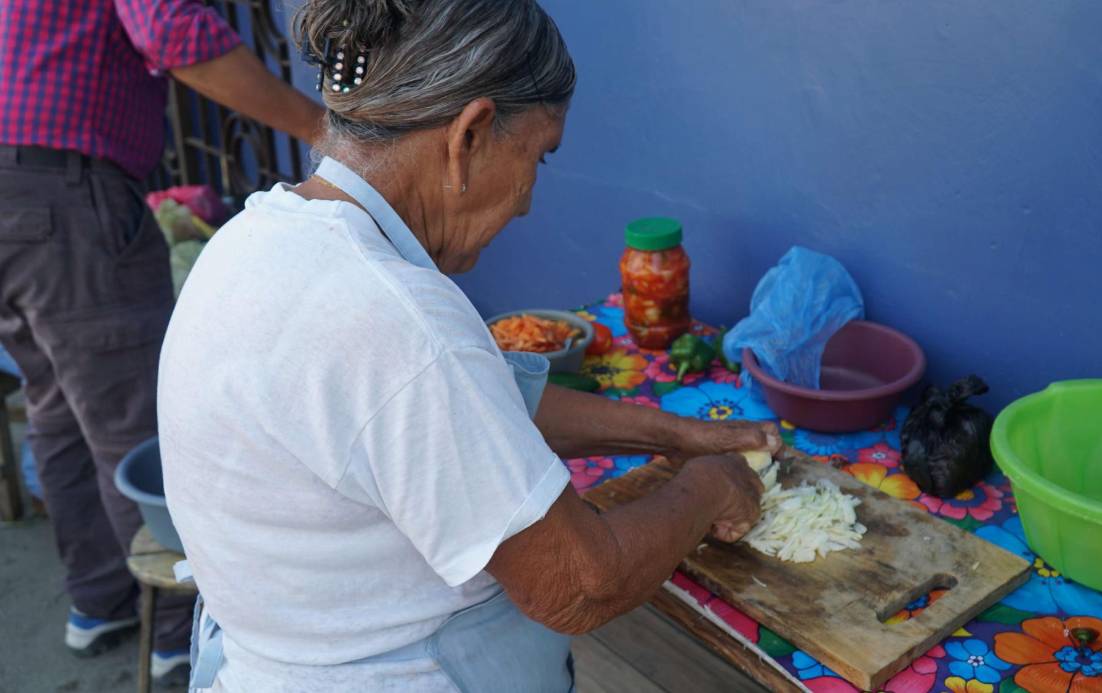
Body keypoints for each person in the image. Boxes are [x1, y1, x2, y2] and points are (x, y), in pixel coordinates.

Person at [156, 1, 777, 690]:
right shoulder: (394, 318)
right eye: (538, 156)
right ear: (471, 135)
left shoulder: (255, 238)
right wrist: (705, 489)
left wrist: (675, 434)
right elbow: (579, 584)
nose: (528, 201)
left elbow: (471, 415)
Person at [0, 0, 324, 685]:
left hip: (23, 190)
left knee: (55, 405)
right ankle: (179, 633)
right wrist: (321, 128)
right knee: (138, 425)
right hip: (61, 192)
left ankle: (100, 601)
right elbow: (172, 27)